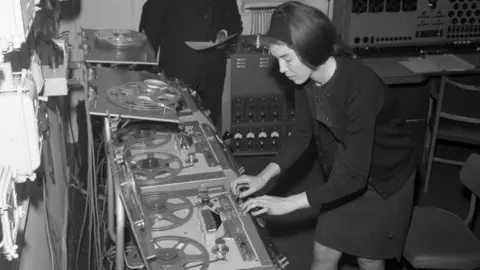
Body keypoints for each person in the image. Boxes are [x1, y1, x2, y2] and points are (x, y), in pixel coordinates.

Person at [230, 2, 418, 270]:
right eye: (277, 60)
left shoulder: (360, 85)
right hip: (346, 171)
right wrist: (262, 177)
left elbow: (356, 176)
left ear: (311, 51)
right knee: (324, 252)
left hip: (384, 180)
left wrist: (288, 204)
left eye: (286, 59)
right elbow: (301, 135)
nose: (282, 70)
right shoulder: (305, 79)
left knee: (368, 259)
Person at [139, 0, 243, 126]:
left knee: (210, 127)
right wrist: (144, 73)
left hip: (214, 73)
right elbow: (149, 30)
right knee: (177, 128)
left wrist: (224, 32)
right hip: (179, 73)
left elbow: (235, 22)